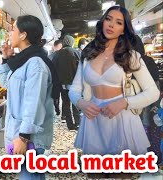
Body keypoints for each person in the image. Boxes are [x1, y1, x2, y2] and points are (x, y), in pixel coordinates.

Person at [69, 6, 160, 179]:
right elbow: (74, 90)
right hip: (94, 121)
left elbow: (153, 92)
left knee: (121, 174)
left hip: (122, 120)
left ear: (124, 29)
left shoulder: (130, 56)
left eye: (118, 22)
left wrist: (125, 102)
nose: (111, 25)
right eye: (108, 19)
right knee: (94, 174)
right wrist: (81, 103)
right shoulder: (88, 54)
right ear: (103, 21)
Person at [0, 15, 58, 180]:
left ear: (23, 35)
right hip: (21, 131)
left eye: (13, 29)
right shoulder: (22, 60)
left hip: (30, 136)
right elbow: (6, 83)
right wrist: (5, 58)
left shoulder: (35, 63)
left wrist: (23, 137)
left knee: (29, 175)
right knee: (33, 174)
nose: (10, 33)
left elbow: (34, 103)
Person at [134, 35, 162, 166]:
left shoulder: (133, 62)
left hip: (139, 101)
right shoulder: (149, 61)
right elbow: (156, 83)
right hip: (152, 100)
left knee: (142, 126)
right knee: (152, 127)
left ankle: (142, 157)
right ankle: (154, 156)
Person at [53, 35, 80, 130]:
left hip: (62, 84)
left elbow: (54, 69)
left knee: (66, 103)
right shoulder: (76, 53)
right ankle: (77, 123)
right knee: (75, 103)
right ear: (71, 42)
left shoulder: (57, 54)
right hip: (75, 84)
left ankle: (70, 124)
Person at [48, 39, 63, 115]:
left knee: (55, 96)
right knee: (64, 98)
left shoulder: (50, 56)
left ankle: (57, 109)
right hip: (63, 79)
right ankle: (63, 114)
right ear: (60, 45)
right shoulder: (63, 55)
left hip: (54, 80)